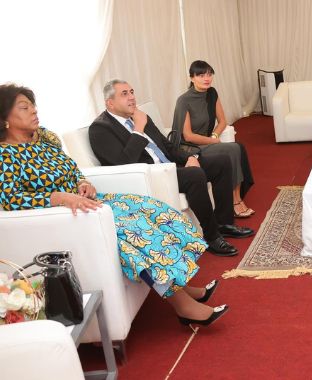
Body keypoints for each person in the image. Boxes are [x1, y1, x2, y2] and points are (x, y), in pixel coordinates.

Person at [0, 84, 227, 326]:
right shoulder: (4, 156)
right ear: (4, 119)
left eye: (33, 105)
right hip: (65, 216)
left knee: (151, 209)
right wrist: (58, 198)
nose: (34, 111)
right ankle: (182, 306)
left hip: (89, 202)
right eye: (24, 108)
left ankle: (180, 285)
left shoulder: (44, 138)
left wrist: (82, 182)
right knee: (134, 233)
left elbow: (71, 168)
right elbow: (10, 200)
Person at [89, 79, 254, 257]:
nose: (132, 97)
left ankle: (223, 223)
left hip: (170, 166)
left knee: (221, 161)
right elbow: (123, 163)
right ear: (110, 103)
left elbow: (166, 147)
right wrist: (138, 129)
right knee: (194, 175)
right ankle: (212, 236)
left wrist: (189, 157)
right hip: (152, 175)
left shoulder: (140, 116)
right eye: (124, 94)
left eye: (132, 92)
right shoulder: (101, 128)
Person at [171, 60, 255, 218]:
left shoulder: (212, 93)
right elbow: (187, 135)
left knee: (237, 148)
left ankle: (236, 199)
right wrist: (213, 141)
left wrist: (215, 135)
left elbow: (223, 121)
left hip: (207, 142)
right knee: (233, 149)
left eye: (209, 74)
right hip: (189, 147)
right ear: (192, 78)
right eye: (201, 75)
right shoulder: (184, 101)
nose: (206, 78)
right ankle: (235, 202)